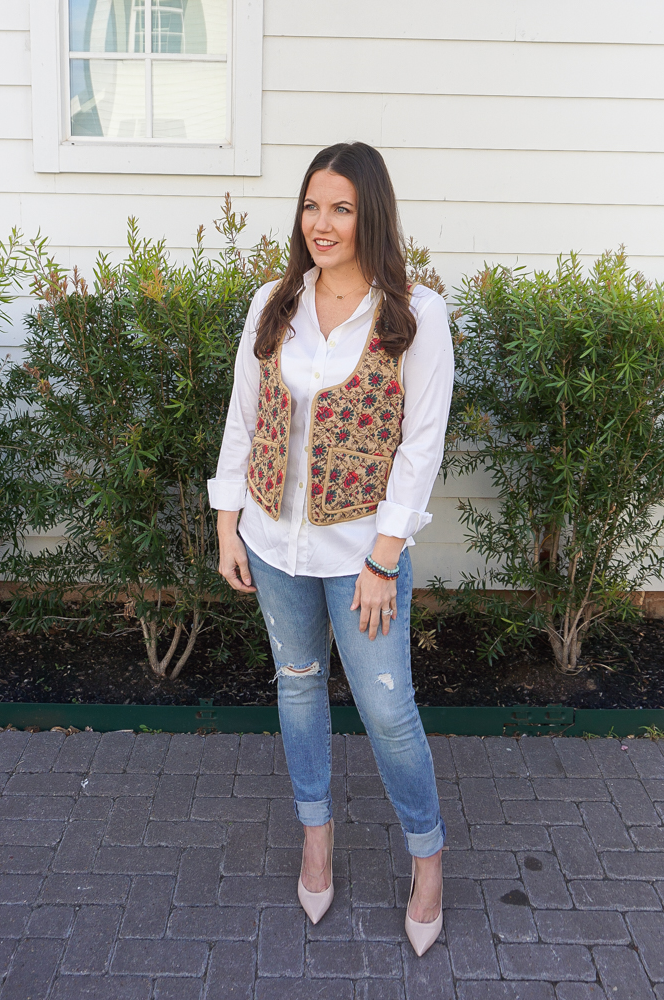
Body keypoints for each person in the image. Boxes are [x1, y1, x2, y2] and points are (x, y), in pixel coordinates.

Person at [207, 141, 454, 956]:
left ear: (370, 214)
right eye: (312, 206)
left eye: (341, 208)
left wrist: (385, 556)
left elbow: (420, 447)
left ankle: (428, 859)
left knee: (387, 711)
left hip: (362, 560)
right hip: (275, 547)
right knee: (299, 690)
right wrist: (226, 522)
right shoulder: (273, 301)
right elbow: (244, 418)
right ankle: (318, 839)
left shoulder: (413, 312)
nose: (322, 223)